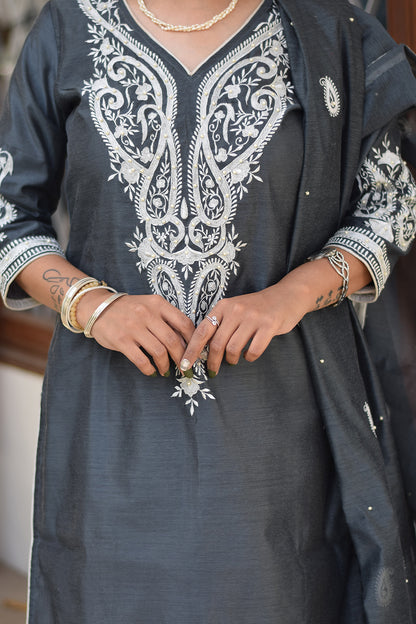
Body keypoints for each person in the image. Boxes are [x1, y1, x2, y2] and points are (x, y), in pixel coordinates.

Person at [0, 0, 416, 621]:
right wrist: (90, 304)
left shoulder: (333, 34)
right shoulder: (69, 27)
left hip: (280, 444)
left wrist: (289, 296)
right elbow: (9, 213)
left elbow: (391, 206)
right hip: (113, 431)